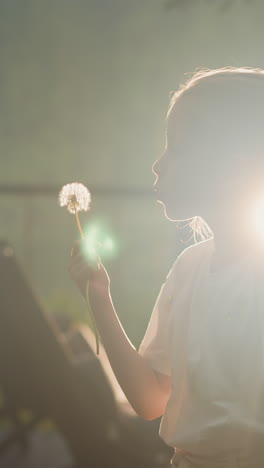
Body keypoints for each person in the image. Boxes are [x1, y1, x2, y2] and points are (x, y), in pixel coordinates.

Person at [68, 66, 264, 467]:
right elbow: (151, 398)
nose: (158, 165)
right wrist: (100, 299)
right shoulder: (190, 267)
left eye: (177, 148)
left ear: (233, 164)